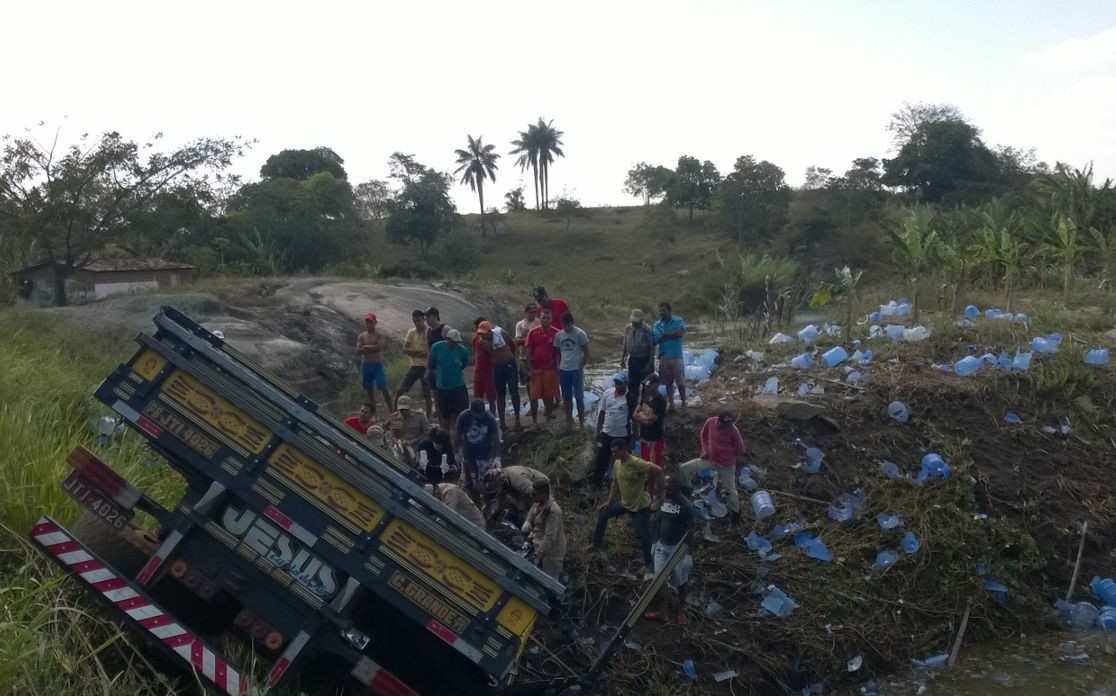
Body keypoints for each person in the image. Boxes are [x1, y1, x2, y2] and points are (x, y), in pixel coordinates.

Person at [589, 439, 664, 574]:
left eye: (616, 451)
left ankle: (649, 564)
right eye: (612, 452)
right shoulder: (618, 463)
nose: (613, 454)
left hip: (640, 506)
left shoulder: (636, 463)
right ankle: (596, 543)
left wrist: (658, 496)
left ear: (624, 450)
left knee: (644, 535)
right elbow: (615, 483)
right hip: (625, 503)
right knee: (603, 514)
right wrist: (609, 501)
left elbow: (658, 470)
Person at [679, 412, 748, 524]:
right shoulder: (711, 422)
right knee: (684, 469)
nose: (727, 427)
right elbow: (703, 434)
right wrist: (706, 449)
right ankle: (686, 495)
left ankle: (736, 514)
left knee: (730, 491)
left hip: (726, 465)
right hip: (710, 459)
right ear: (718, 421)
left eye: (729, 424)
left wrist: (727, 457)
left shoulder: (733, 431)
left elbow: (740, 449)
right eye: (725, 425)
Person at [644, 477, 694, 625]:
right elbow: (658, 521)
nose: (667, 492)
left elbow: (691, 531)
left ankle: (681, 609)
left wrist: (688, 555)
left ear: (678, 490)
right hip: (661, 546)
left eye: (670, 490)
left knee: (681, 580)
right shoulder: (664, 500)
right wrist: (654, 542)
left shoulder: (686, 506)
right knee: (660, 580)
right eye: (665, 489)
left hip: (677, 549)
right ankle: (663, 611)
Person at [453, 398, 502, 494]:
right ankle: (477, 506)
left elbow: (495, 439)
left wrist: (497, 457)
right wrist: (455, 452)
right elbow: (457, 435)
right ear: (472, 411)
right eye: (477, 414)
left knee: (487, 485)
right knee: (470, 485)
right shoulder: (463, 417)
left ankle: (487, 507)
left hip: (485, 456)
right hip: (469, 455)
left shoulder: (490, 418)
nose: (480, 416)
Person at [591, 373, 631, 488]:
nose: (618, 386)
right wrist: (598, 430)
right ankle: (597, 483)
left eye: (620, 384)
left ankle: (623, 485)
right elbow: (602, 413)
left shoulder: (629, 397)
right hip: (607, 432)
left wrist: (633, 438)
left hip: (622, 435)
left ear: (626, 385)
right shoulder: (607, 393)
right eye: (616, 383)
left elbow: (634, 418)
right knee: (602, 458)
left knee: (623, 461)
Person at [482, 320, 522, 431]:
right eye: (481, 333)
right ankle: (502, 422)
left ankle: (517, 420)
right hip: (498, 368)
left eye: (485, 333)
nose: (483, 335)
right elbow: (486, 356)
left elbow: (513, 346)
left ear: (490, 331)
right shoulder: (483, 342)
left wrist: (513, 360)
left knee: (514, 391)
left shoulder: (501, 333)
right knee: (500, 395)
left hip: (509, 365)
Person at [553, 311, 590, 430]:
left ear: (572, 323)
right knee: (567, 397)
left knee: (579, 397)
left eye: (568, 325)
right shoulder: (559, 335)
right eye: (564, 325)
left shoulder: (580, 333)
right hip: (564, 370)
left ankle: (582, 424)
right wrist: (558, 365)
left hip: (576, 370)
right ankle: (569, 421)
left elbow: (587, 352)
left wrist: (580, 367)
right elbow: (557, 352)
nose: (567, 328)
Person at [429, 328, 471, 431]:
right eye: (452, 342)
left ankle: (459, 433)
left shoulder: (462, 350)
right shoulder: (436, 348)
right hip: (443, 386)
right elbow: (431, 364)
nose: (454, 344)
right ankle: (447, 436)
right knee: (446, 414)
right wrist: (436, 374)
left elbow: (465, 363)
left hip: (458, 386)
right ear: (447, 339)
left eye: (456, 342)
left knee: (461, 412)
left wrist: (456, 371)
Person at [524, 308, 560, 428]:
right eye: (543, 317)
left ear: (552, 319)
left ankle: (548, 419)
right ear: (540, 318)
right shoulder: (533, 332)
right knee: (534, 396)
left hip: (551, 369)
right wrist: (529, 369)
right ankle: (534, 421)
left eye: (548, 318)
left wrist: (558, 368)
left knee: (549, 396)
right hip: (536, 369)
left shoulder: (556, 333)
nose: (545, 320)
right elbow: (528, 352)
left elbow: (559, 353)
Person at [523, 480, 566, 579]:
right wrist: (528, 521)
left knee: (548, 581)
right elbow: (532, 512)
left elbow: (550, 538)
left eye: (534, 494)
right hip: (538, 545)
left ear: (542, 495)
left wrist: (537, 554)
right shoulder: (539, 503)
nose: (531, 497)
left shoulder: (553, 512)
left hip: (552, 553)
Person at [481, 465, 550, 523]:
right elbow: (501, 496)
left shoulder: (516, 480)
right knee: (515, 505)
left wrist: (530, 520)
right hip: (523, 490)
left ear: (501, 482)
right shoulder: (502, 479)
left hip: (540, 486)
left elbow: (533, 494)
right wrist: (497, 513)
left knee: (526, 509)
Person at [652, 302, 687, 410]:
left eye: (663, 310)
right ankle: (671, 405)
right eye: (660, 311)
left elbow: (680, 333)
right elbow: (657, 339)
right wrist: (673, 333)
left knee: (680, 382)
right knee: (668, 383)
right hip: (664, 357)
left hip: (677, 356)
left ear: (669, 311)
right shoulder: (657, 324)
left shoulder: (678, 320)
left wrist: (664, 334)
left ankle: (684, 404)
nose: (661, 313)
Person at [396, 309, 433, 415]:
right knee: (400, 390)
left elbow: (428, 352)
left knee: (427, 394)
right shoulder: (412, 332)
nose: (416, 323)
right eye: (414, 321)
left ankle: (428, 417)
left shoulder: (429, 332)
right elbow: (404, 350)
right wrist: (419, 353)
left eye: (418, 321)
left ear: (423, 320)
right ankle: (395, 414)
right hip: (415, 365)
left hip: (426, 366)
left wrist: (413, 353)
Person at [356, 313, 393, 416]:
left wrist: (366, 347)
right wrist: (372, 347)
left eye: (370, 322)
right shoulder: (362, 336)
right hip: (366, 365)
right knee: (369, 390)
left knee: (383, 387)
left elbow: (380, 347)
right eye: (367, 322)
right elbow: (358, 350)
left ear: (375, 323)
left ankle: (392, 411)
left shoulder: (379, 335)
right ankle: (374, 414)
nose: (369, 325)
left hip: (377, 365)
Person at [621, 308, 654, 408]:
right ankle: (632, 406)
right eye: (632, 322)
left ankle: (644, 405)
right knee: (632, 384)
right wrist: (622, 358)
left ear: (641, 320)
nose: (634, 324)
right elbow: (625, 343)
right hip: (633, 359)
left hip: (644, 359)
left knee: (646, 384)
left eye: (636, 322)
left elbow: (652, 348)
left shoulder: (647, 329)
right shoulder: (628, 328)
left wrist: (650, 363)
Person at [632, 373, 667, 467]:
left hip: (655, 439)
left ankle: (657, 481)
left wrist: (640, 416)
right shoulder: (645, 397)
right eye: (645, 386)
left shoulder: (660, 401)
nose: (646, 388)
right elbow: (634, 414)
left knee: (655, 466)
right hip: (644, 437)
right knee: (645, 465)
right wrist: (645, 417)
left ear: (656, 385)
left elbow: (650, 422)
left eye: (648, 386)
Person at [388, 395, 430, 461]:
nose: (403, 411)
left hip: (417, 446)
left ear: (410, 407)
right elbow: (393, 436)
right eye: (401, 409)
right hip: (401, 447)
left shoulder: (419, 417)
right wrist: (398, 442)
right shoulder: (394, 417)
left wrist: (412, 441)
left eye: (406, 409)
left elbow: (426, 433)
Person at [472, 317, 498, 416]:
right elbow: (476, 353)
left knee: (491, 397)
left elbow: (494, 353)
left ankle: (493, 416)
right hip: (478, 371)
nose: (476, 331)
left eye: (477, 328)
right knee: (477, 396)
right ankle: (477, 416)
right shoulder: (475, 339)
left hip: (488, 371)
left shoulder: (490, 339)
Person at [424, 307, 446, 417]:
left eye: (427, 317)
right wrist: (427, 368)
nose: (426, 320)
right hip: (432, 367)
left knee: (445, 394)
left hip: (444, 367)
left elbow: (454, 346)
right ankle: (441, 422)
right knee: (435, 394)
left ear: (433, 316)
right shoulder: (428, 331)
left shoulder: (445, 329)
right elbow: (428, 350)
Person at [514, 303, 539, 388]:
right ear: (526, 312)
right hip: (524, 356)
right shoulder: (520, 324)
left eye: (535, 312)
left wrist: (526, 338)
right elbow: (517, 341)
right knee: (527, 381)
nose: (533, 314)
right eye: (531, 312)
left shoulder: (539, 323)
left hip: (537, 356)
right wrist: (531, 338)